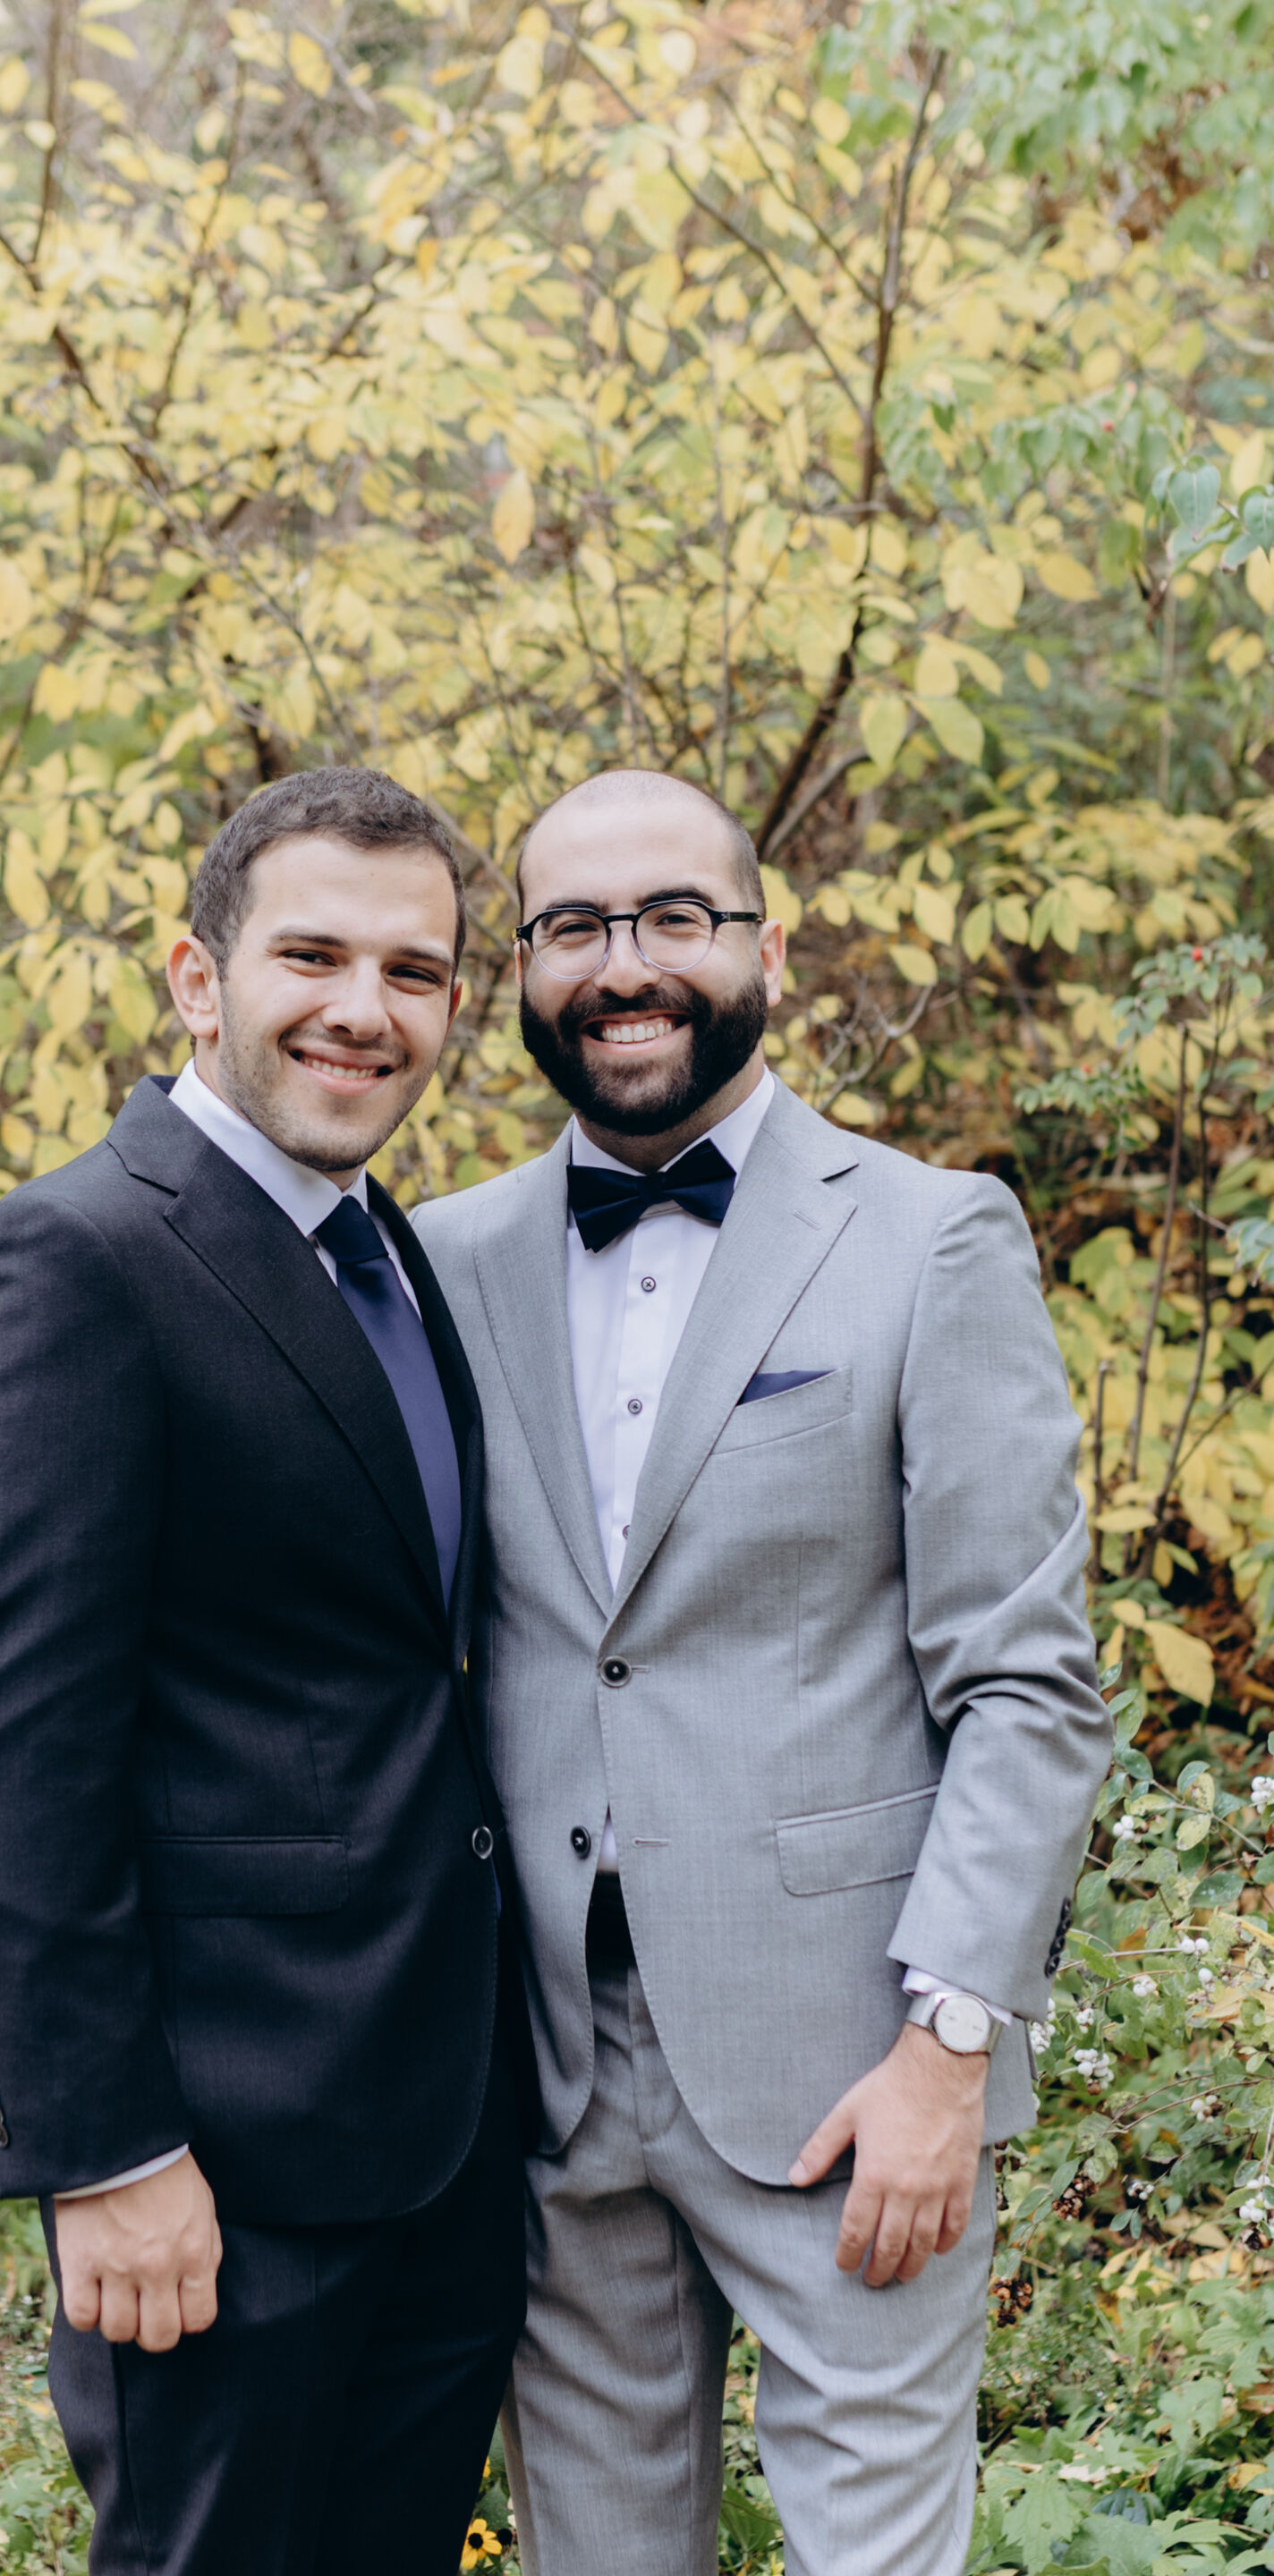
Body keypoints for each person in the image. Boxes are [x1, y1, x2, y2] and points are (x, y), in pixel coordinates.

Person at [410, 768, 1111, 2576]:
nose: (622, 964)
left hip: (849, 2068)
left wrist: (948, 2049)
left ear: (768, 950)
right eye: (572, 926)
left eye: (674, 917)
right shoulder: (442, 1261)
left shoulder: (931, 1238)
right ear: (522, 970)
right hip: (547, 2075)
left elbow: (1027, 1688)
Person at [0, 767, 530, 2576]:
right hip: (214, 2159)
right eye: (312, 955)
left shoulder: (395, 1258)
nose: (363, 1009)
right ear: (195, 977)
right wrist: (105, 2152)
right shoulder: (68, 1262)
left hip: (438, 2127)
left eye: (414, 972)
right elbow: (17, 1747)